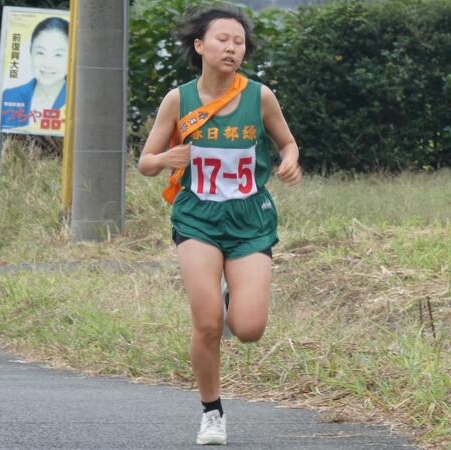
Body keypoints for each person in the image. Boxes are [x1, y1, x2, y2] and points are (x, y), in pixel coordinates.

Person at [137, 5, 302, 446]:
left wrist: (290, 161)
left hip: (250, 219)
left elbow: (287, 143)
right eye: (222, 40)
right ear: (200, 46)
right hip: (198, 218)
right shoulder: (179, 100)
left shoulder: (260, 97)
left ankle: (231, 295)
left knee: (248, 329)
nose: (231, 48)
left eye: (238, 42)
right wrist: (166, 158)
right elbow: (145, 163)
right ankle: (212, 413)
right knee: (208, 323)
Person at [0, 17, 68, 129]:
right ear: (31, 52)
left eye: (58, 55)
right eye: (40, 52)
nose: (47, 64)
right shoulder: (10, 96)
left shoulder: (78, 101)